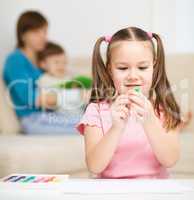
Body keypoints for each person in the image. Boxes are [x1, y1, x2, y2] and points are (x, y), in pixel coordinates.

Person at [76, 27, 182, 179]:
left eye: (142, 67)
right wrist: (116, 128)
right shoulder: (96, 110)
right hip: (111, 191)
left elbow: (170, 160)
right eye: (123, 68)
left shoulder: (165, 107)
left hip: (156, 190)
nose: (133, 76)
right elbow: (94, 166)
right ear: (110, 70)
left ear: (154, 66)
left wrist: (150, 121)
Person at [3, 11, 80, 134]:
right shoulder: (15, 60)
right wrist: (75, 97)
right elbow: (28, 97)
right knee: (87, 129)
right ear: (23, 35)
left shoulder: (43, 60)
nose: (43, 36)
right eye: (36, 32)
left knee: (93, 123)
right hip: (32, 119)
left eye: (44, 31)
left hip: (53, 114)